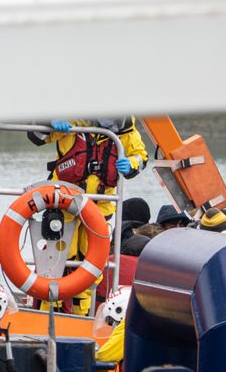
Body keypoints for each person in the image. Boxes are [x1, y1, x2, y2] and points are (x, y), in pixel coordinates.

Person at [28, 118, 148, 315]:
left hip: (100, 207)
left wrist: (132, 163)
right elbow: (36, 136)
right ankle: (51, 310)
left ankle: (81, 314)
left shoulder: (125, 130)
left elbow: (141, 157)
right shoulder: (73, 120)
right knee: (58, 259)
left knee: (90, 264)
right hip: (64, 203)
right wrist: (50, 121)